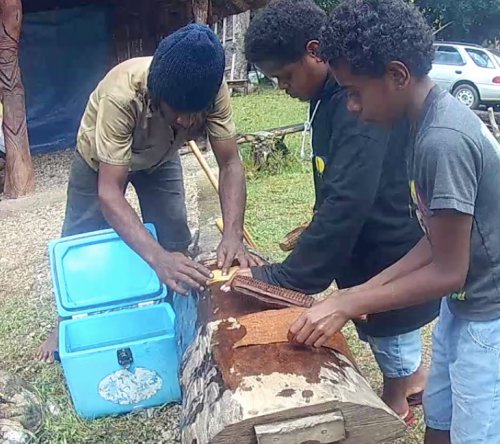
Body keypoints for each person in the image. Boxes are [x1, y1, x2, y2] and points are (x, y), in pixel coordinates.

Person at [289, 1, 500, 442]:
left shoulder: (442, 141)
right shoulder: (420, 123)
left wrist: (349, 305)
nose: (350, 106)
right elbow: (435, 240)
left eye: (355, 92)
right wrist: (357, 293)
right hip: (464, 304)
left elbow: (449, 270)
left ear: (398, 76)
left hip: (489, 316)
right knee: (439, 416)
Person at [241, 0, 440, 424]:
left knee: (392, 338)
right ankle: (412, 381)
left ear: (315, 52)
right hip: (366, 249)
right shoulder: (330, 98)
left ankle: (397, 405)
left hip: (386, 246)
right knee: (384, 336)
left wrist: (289, 276)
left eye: (285, 76)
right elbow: (336, 183)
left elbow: (347, 199)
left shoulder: (355, 103)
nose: (283, 88)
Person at [37, 24, 260, 363]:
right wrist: (157, 259)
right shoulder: (121, 94)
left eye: (195, 112)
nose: (187, 121)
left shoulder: (212, 88)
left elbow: (230, 163)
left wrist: (232, 234)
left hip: (160, 157)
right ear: (157, 95)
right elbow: (110, 193)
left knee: (175, 235)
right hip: (99, 162)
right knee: (80, 239)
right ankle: (66, 323)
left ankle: (175, 313)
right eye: (178, 111)